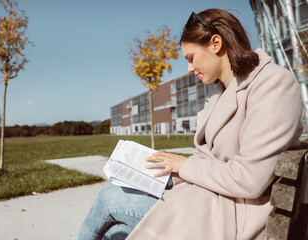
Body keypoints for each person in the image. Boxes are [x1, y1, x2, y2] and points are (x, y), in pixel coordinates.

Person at [75, 8, 303, 240]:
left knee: (108, 200)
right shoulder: (219, 94)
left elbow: (250, 179)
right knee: (115, 232)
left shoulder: (273, 84)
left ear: (216, 43)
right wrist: (161, 175)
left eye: (191, 58)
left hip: (235, 215)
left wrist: (183, 165)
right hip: (208, 200)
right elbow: (207, 161)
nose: (189, 69)